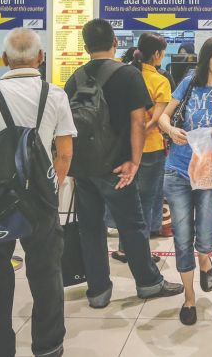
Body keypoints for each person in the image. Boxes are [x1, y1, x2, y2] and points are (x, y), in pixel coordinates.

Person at [0, 28, 76, 357]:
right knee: (46, 271)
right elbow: (64, 151)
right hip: (39, 196)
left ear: (5, 59)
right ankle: (49, 345)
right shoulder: (54, 95)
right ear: (40, 58)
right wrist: (53, 185)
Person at [64, 20, 183, 310]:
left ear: (85, 45)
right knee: (132, 225)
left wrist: (72, 168)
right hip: (117, 167)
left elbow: (66, 126)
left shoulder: (74, 78)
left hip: (84, 168)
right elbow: (138, 121)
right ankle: (148, 283)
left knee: (90, 229)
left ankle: (98, 291)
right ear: (114, 42)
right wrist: (135, 161)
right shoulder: (128, 74)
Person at [158, 37, 212, 326]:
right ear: (207, 58)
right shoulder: (188, 84)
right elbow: (163, 117)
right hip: (178, 169)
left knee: (205, 235)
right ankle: (189, 298)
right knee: (182, 237)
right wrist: (170, 129)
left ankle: (205, 258)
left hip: (209, 169)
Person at [110, 32, 170, 262]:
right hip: (150, 149)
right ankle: (139, 252)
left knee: (126, 199)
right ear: (157, 54)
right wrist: (140, 132)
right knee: (145, 201)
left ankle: (124, 247)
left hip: (122, 147)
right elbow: (156, 119)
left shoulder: (125, 74)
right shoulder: (160, 81)